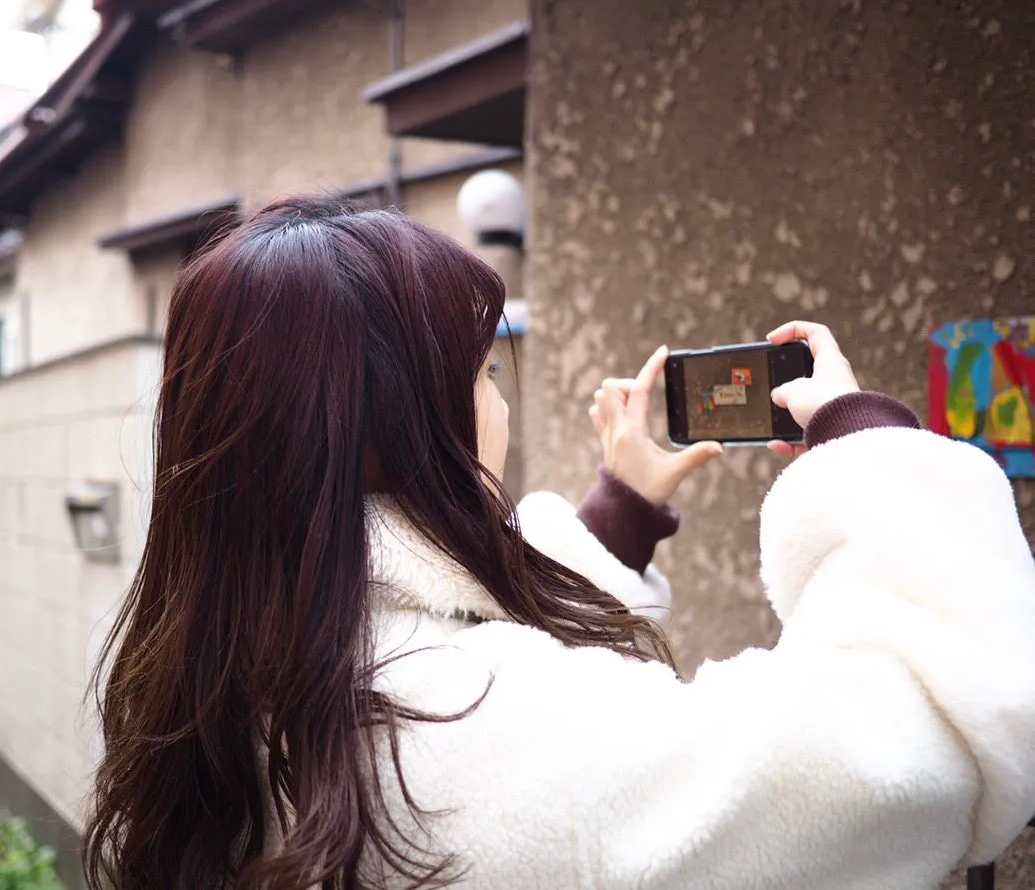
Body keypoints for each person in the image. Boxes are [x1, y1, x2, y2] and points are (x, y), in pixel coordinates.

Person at [83, 196, 1035, 889]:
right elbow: (929, 750)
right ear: (414, 418)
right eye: (486, 370)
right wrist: (868, 443)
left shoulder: (219, 675)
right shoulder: (491, 734)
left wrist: (619, 512)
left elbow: (450, 635)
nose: (497, 399)